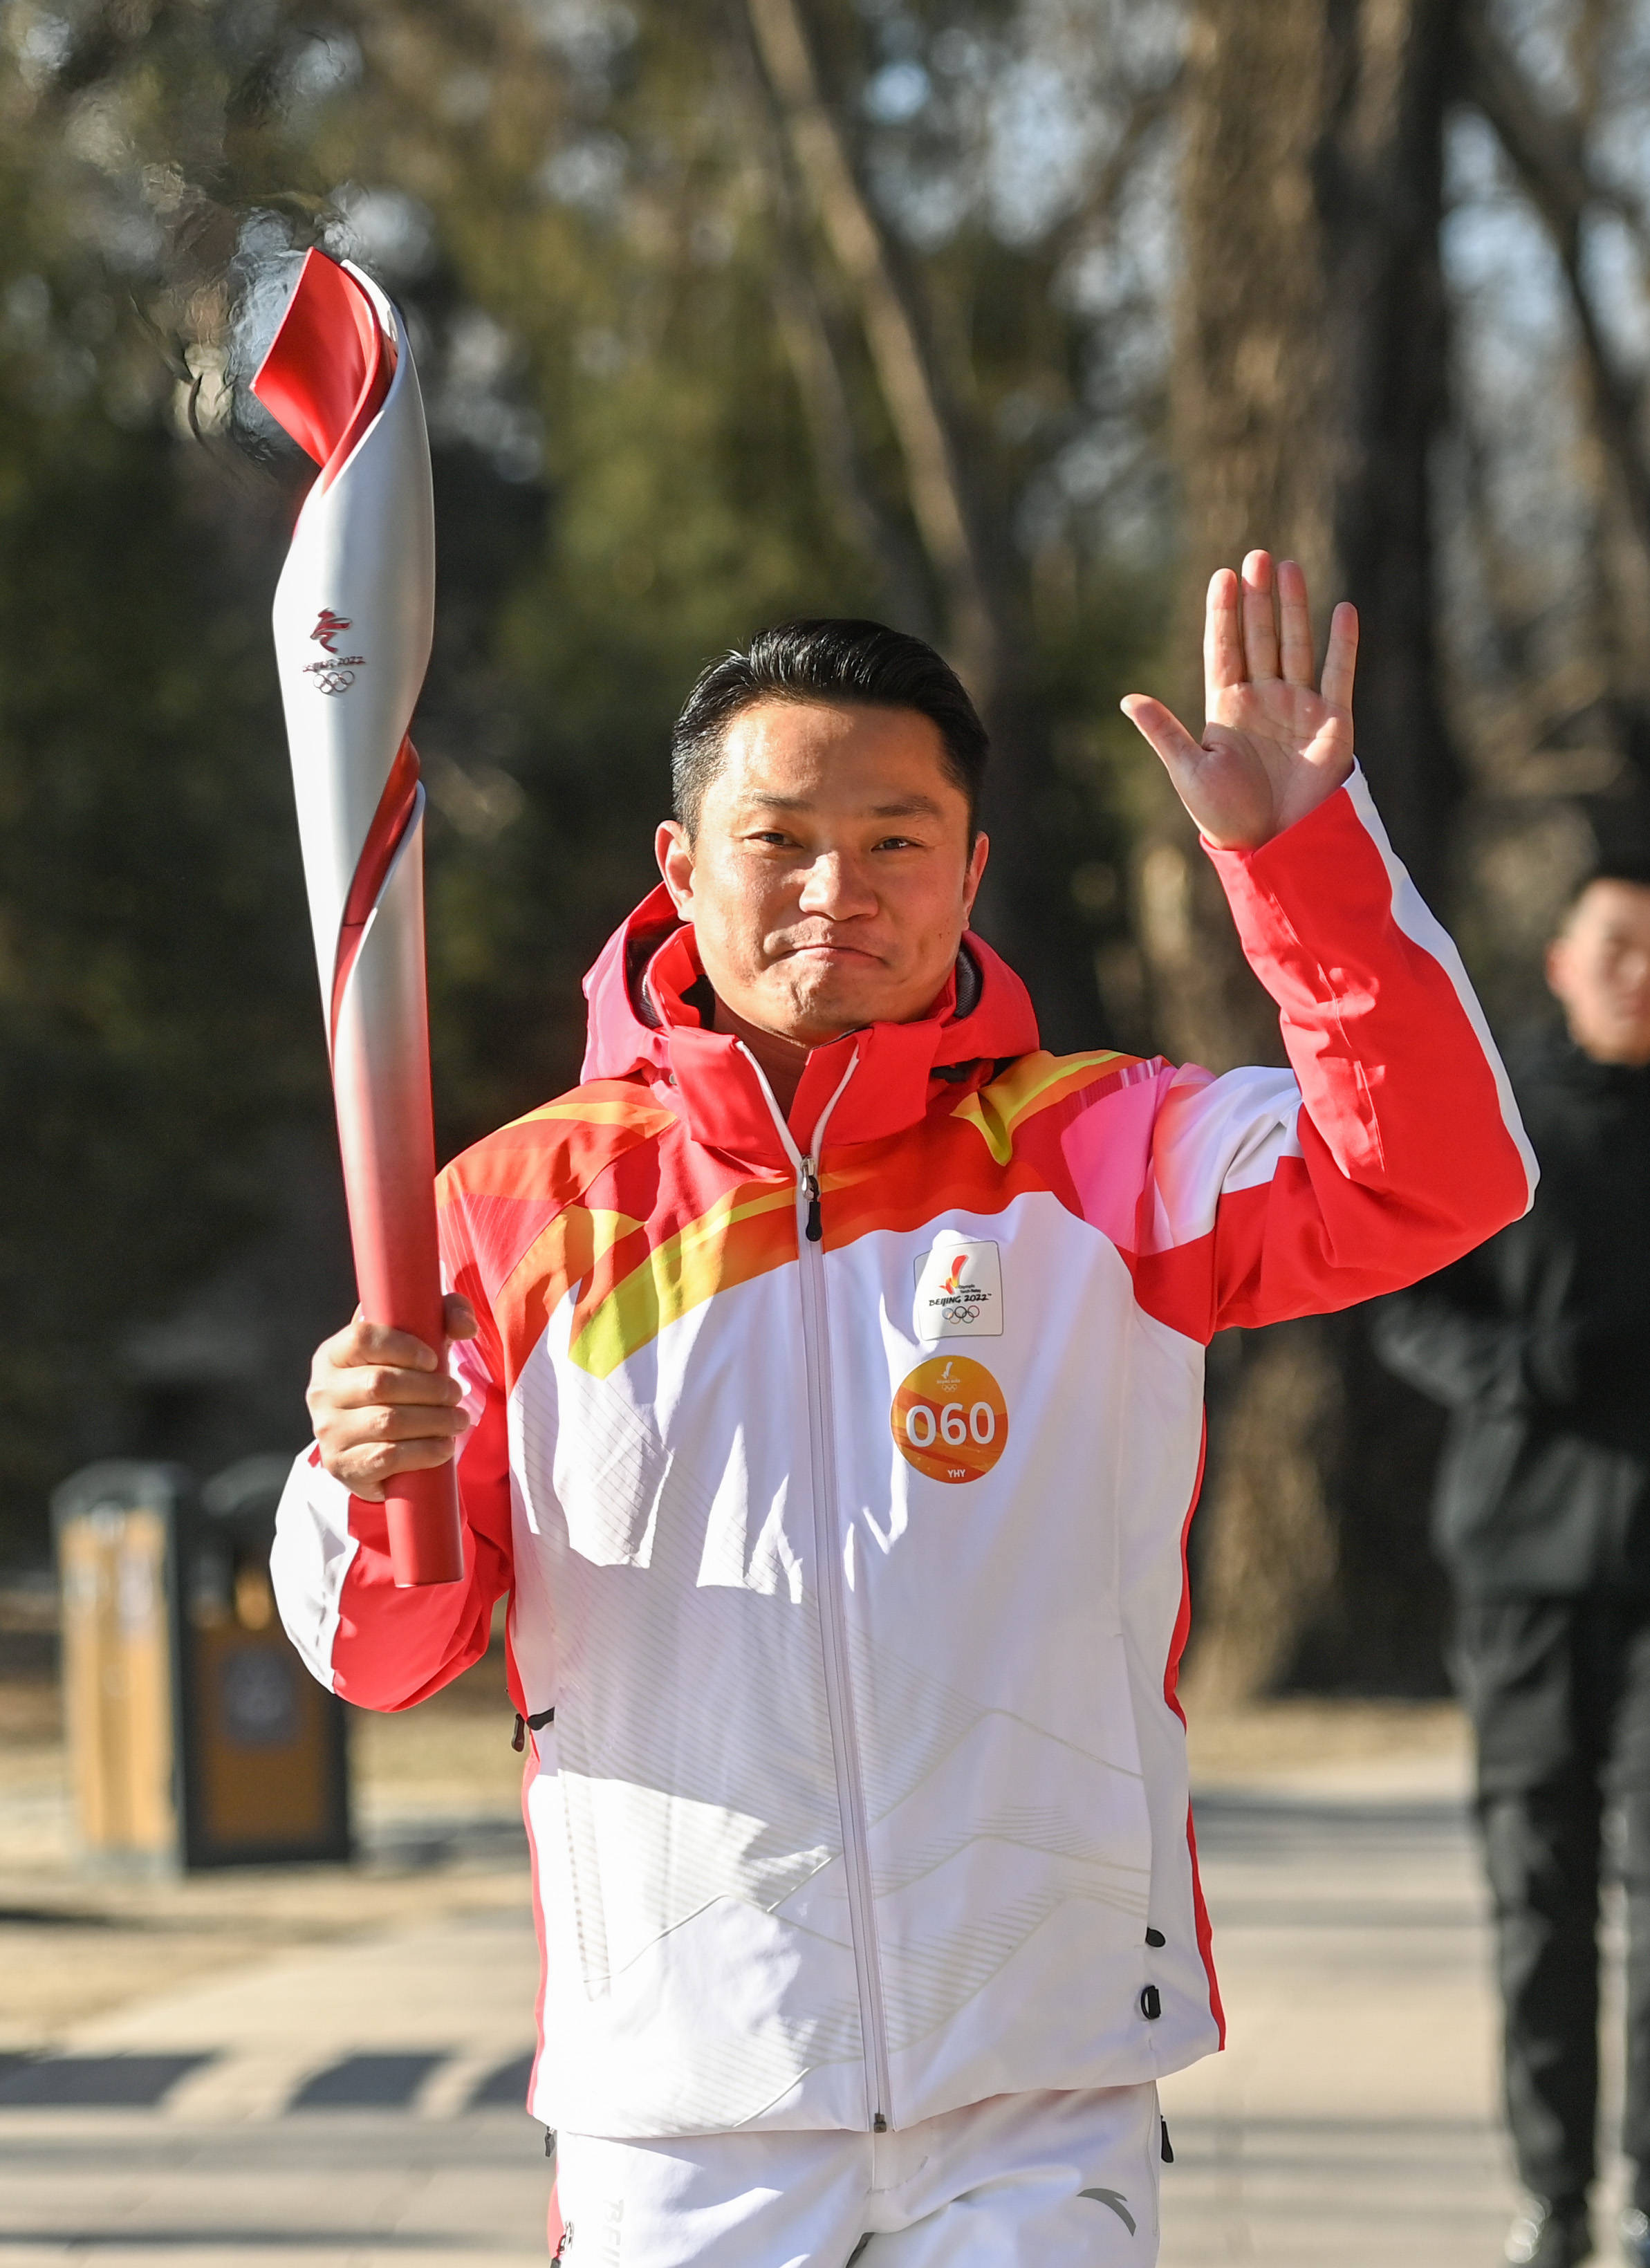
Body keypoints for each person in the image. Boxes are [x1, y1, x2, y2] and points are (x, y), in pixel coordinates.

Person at [273, 552, 1534, 2267]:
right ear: (681, 863)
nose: (833, 890)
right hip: (685, 2097)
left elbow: (1440, 1177)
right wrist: (364, 1479)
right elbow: (387, 1649)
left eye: (892, 840)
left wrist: (1298, 864)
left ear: (967, 872)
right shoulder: (511, 1210)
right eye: (778, 836)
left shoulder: (1105, 1148)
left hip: (1038, 2080)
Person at [1374, 864, 1650, 2268]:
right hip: (1524, 1555)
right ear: (1558, 960)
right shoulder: (1500, 1126)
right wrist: (1515, 1370)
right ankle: (1552, 2198)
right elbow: (1404, 1305)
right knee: (1536, 1885)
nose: (1637, 973)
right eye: (1616, 945)